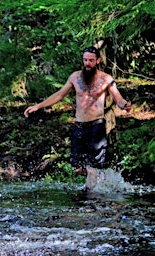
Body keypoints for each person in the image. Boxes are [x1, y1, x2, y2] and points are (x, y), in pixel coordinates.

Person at [24, 46, 132, 189]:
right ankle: (105, 181)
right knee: (78, 167)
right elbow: (59, 95)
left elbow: (118, 98)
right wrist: (38, 106)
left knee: (91, 167)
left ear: (98, 61)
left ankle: (90, 200)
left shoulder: (106, 79)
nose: (87, 63)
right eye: (85, 60)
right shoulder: (75, 77)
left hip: (97, 127)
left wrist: (125, 105)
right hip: (79, 127)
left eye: (91, 60)